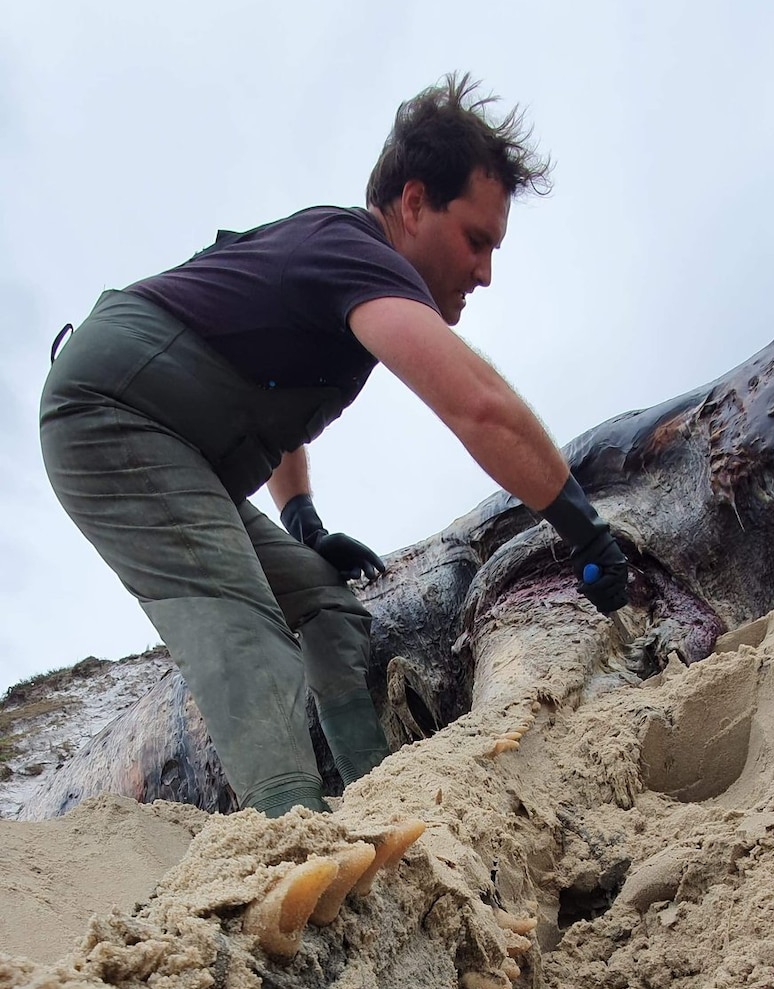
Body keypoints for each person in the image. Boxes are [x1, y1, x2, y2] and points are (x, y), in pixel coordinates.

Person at [40, 74, 628, 818]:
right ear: (414, 203)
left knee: (327, 600)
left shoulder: (340, 278)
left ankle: (373, 796)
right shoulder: (353, 252)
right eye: (476, 240)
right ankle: (288, 836)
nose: (485, 271)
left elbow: (265, 379)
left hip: (175, 446)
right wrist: (584, 527)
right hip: (109, 414)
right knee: (247, 622)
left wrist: (305, 523)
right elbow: (477, 405)